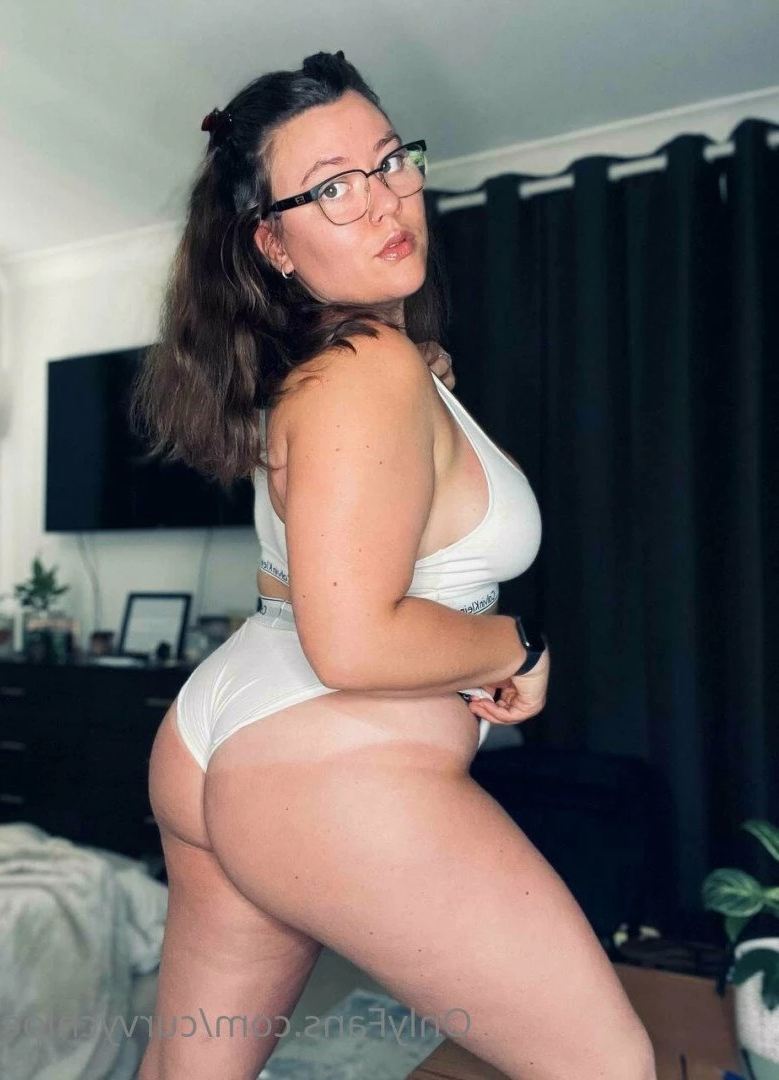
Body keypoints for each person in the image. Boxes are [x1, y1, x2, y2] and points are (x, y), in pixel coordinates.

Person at [133, 50, 655, 1080]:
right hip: (327, 765)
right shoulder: (365, 372)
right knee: (610, 1066)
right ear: (272, 241)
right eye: (332, 187)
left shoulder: (355, 365)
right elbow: (353, 640)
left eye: (387, 161)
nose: (383, 198)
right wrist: (517, 644)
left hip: (234, 725)